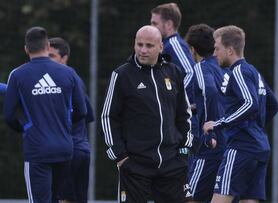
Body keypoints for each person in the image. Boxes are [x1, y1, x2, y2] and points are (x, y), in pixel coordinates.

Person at [101, 25, 193, 203]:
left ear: (161, 47)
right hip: (135, 164)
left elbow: (184, 114)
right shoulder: (122, 75)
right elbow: (108, 117)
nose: (143, 50)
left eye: (149, 46)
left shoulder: (173, 72)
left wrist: (183, 152)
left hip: (171, 163)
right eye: (139, 44)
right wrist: (121, 157)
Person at [3, 26, 87, 203]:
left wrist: (26, 128)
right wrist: (64, 127)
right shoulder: (68, 73)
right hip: (65, 149)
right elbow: (82, 111)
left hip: (37, 150)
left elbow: (9, 115)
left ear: (26, 49)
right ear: (48, 46)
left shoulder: (18, 75)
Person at [203, 25, 278, 203]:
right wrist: (255, 127)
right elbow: (273, 104)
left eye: (217, 48)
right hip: (259, 147)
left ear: (230, 50)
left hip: (241, 147)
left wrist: (218, 123)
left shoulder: (237, 72)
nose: (214, 54)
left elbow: (250, 103)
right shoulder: (253, 72)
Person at [184, 23, 230, 203]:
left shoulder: (201, 68)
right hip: (230, 144)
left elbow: (209, 91)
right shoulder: (226, 69)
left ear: (193, 49)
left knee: (190, 197)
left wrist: (209, 131)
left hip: (210, 147)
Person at [49, 37, 94, 203]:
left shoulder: (63, 80)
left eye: (52, 56)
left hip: (69, 152)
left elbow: (83, 112)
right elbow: (88, 113)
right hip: (81, 150)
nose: (48, 61)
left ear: (64, 57)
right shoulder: (75, 78)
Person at [150, 2, 196, 106]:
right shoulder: (164, 45)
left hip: (186, 117)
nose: (151, 27)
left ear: (169, 24)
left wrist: (176, 98)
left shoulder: (174, 45)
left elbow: (191, 73)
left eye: (155, 23)